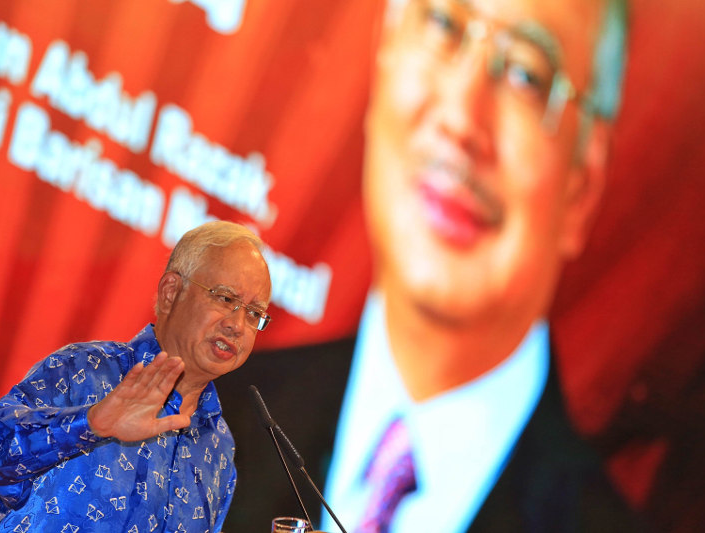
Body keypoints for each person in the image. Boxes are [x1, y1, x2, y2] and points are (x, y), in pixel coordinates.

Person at [215, 0, 645, 531]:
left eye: (527, 74)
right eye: (445, 25)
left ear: (582, 183)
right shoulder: (197, 428)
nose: (462, 118)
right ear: (384, 57)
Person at [0, 220, 273, 533]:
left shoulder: (219, 445)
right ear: (170, 292)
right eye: (225, 298)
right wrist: (90, 423)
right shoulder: (87, 370)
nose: (237, 324)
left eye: (253, 313)